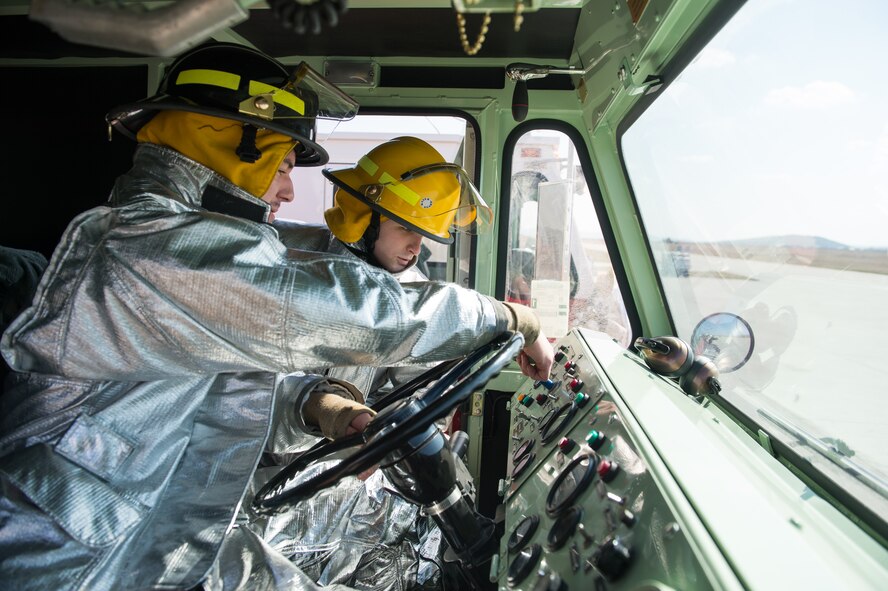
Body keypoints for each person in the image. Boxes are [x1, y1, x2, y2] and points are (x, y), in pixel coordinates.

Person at [0, 42, 553, 591]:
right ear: (229, 146)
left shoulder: (182, 248)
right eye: (283, 165)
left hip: (158, 525)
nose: (289, 189)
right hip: (69, 559)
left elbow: (223, 390)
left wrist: (319, 407)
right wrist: (511, 318)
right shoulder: (154, 250)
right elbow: (353, 314)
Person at [260, 136, 541, 590]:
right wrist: (331, 411)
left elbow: (413, 386)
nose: (416, 246)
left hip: (340, 463)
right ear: (363, 215)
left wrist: (385, 430)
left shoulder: (405, 280)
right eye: (405, 227)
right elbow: (251, 386)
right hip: (263, 473)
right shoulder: (283, 256)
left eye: (424, 233)